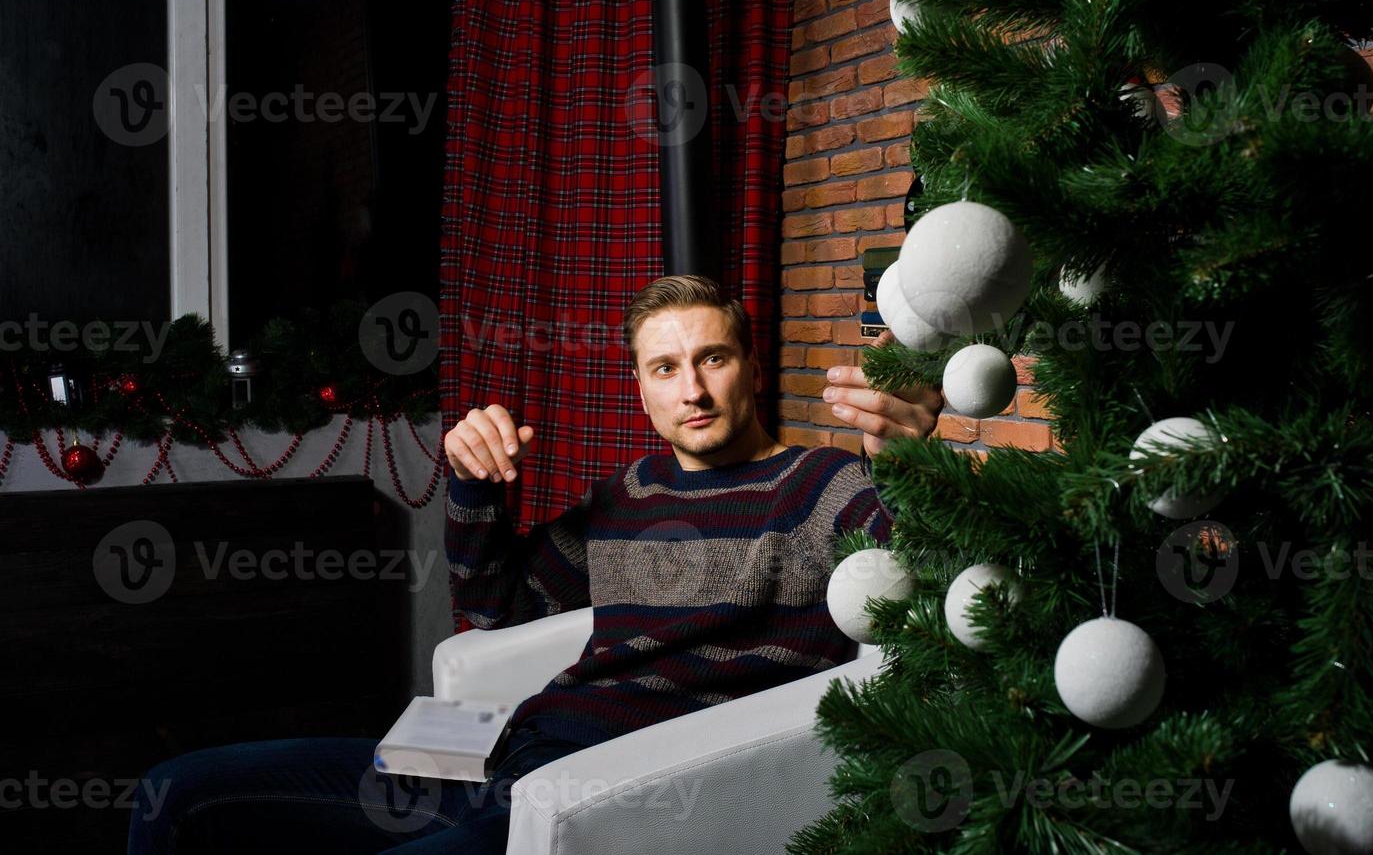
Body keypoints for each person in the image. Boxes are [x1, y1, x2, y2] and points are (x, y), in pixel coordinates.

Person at [128, 275, 944, 854]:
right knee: (176, 793)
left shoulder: (819, 483)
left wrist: (912, 471)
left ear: (752, 369)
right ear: (641, 389)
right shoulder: (628, 492)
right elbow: (497, 610)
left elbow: (922, 587)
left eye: (713, 359)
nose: (692, 388)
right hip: (495, 750)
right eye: (666, 368)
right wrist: (474, 485)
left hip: (595, 796)